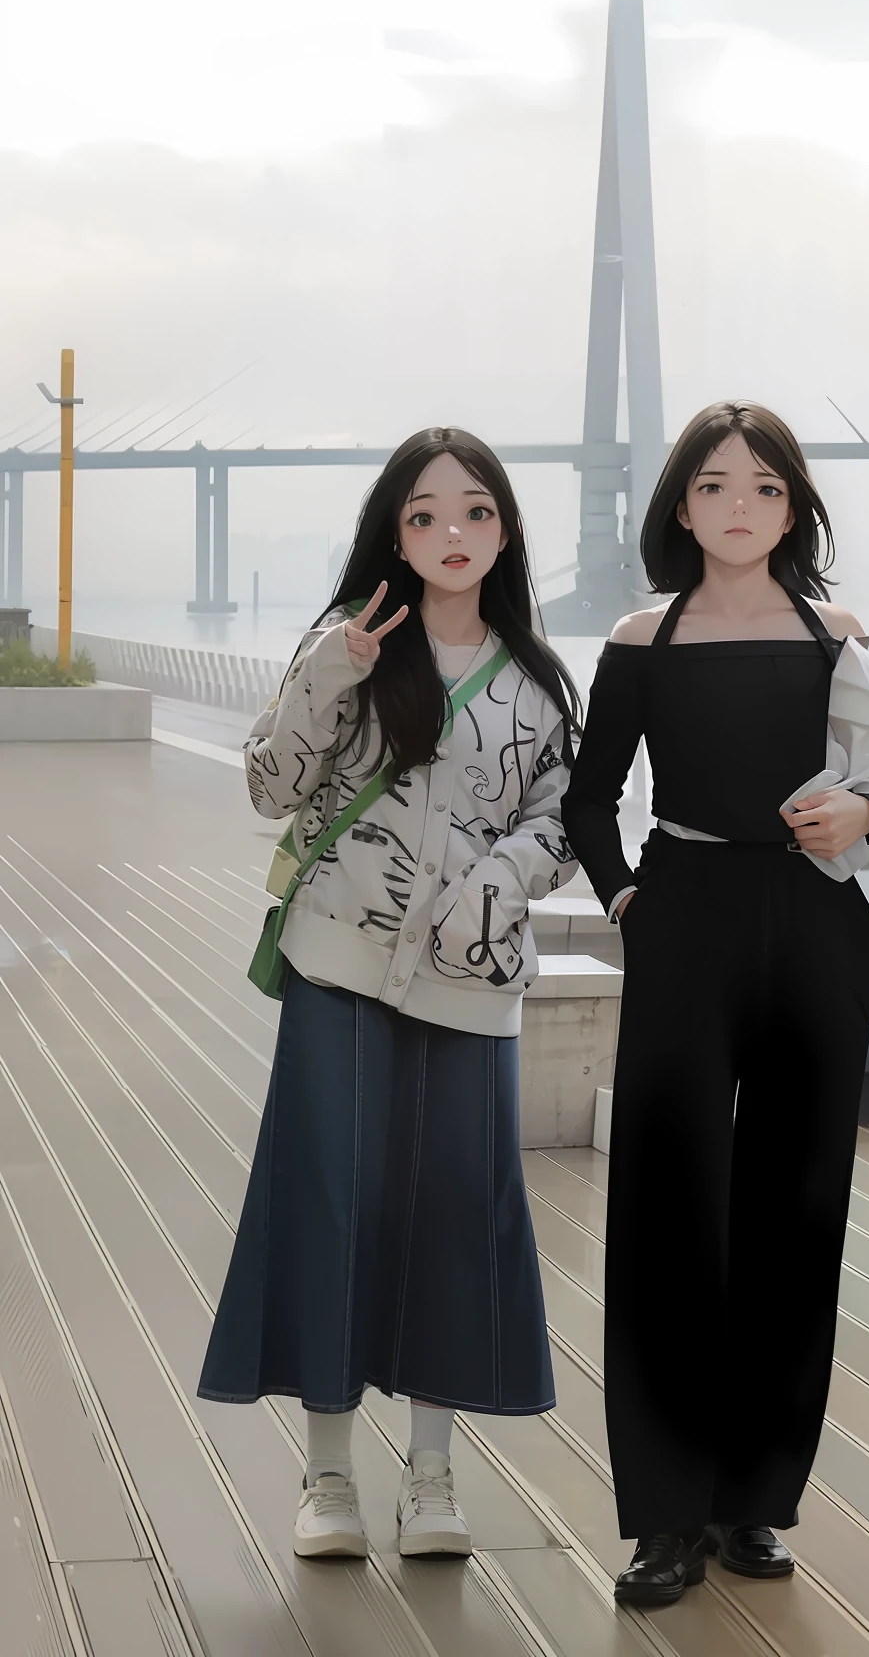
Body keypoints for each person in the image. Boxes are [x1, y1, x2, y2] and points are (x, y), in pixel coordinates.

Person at [562, 400, 869, 1609]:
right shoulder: (642, 637)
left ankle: (751, 1502)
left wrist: (864, 816)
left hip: (815, 924)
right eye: (715, 486)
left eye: (765, 487)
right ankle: (664, 1515)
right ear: (682, 505)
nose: (740, 506)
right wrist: (627, 899)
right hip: (685, 916)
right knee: (669, 1202)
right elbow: (588, 799)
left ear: (792, 505)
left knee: (795, 1204)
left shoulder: (840, 633)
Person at [199, 428, 579, 1560]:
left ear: (504, 530)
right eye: (423, 515)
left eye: (473, 513)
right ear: (394, 534)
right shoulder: (349, 643)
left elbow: (558, 821)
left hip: (470, 978)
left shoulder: (540, 682)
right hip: (340, 967)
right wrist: (331, 675)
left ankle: (431, 1474)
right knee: (333, 1197)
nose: (450, 534)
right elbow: (269, 787)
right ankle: (326, 1476)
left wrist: (503, 882)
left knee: (456, 1212)